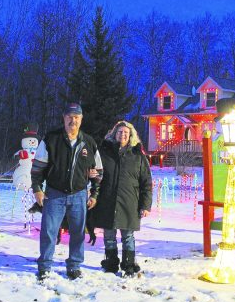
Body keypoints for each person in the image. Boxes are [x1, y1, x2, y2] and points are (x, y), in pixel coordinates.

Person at [31, 103, 102, 281]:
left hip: (79, 195)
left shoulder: (89, 142)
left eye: (76, 117)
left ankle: (74, 266)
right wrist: (37, 189)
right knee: (49, 231)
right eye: (69, 116)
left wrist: (94, 193)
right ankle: (45, 266)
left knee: (78, 232)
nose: (73, 120)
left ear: (81, 119)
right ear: (64, 118)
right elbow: (37, 168)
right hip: (54, 193)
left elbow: (98, 171)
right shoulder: (51, 139)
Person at [91, 121, 152, 276]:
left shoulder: (138, 155)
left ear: (130, 135)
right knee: (109, 235)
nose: (122, 135)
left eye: (126, 132)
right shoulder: (104, 152)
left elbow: (146, 182)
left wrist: (145, 205)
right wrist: (90, 174)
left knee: (128, 236)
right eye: (119, 132)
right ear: (114, 134)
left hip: (129, 202)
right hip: (107, 201)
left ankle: (129, 265)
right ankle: (111, 264)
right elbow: (95, 173)